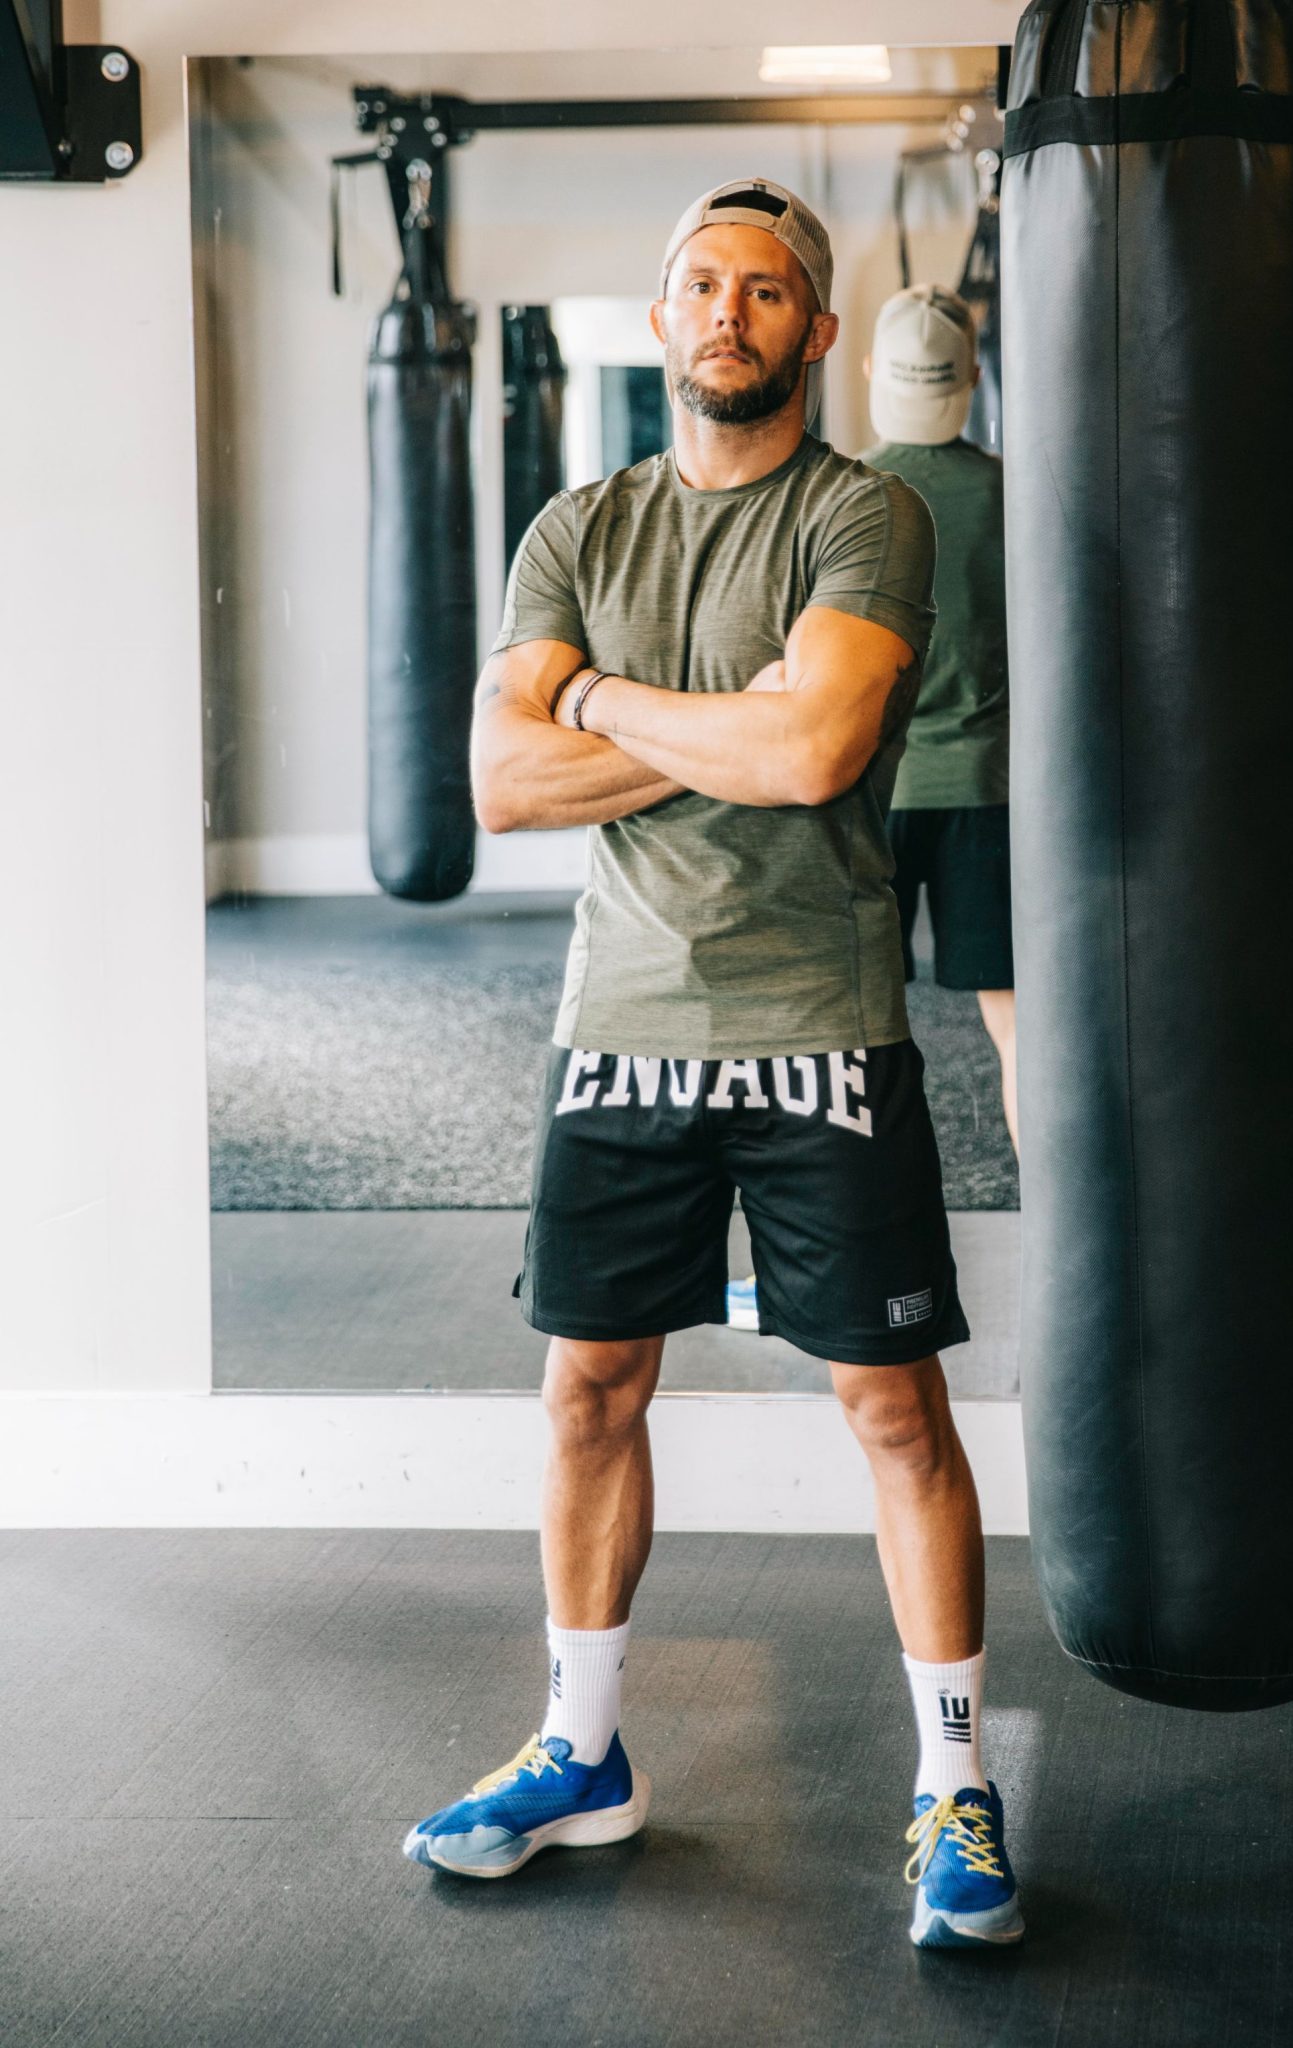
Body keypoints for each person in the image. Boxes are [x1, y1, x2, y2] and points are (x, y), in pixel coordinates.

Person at [403, 178, 1022, 1951]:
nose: (724, 311)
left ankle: (954, 1782)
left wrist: (599, 702)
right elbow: (501, 783)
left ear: (814, 330)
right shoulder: (578, 528)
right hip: (620, 1021)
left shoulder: (862, 512)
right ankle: (580, 1750)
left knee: (888, 1405)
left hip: (820, 1015)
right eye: (697, 283)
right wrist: (712, 723)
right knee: (587, 1389)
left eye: (760, 289)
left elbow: (816, 749)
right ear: (663, 315)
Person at [863, 285, 1016, 1155]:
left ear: (868, 370)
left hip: (867, 796)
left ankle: (855, 1223)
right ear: (972, 378)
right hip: (986, 795)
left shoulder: (844, 494)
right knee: (1020, 1029)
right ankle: (1055, 1218)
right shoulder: (1013, 493)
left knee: (850, 1034)